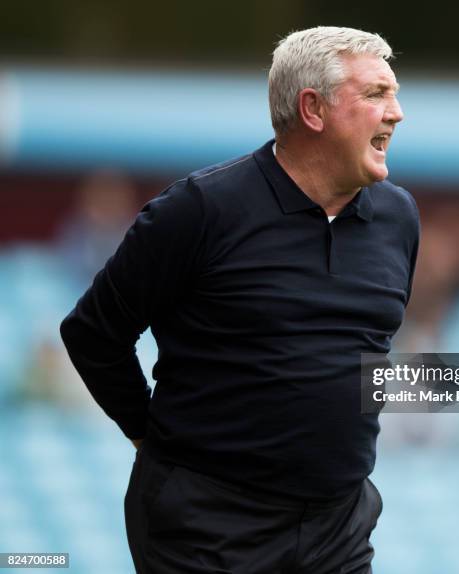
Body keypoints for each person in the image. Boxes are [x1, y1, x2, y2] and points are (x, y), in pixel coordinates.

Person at [60, 26, 419, 573]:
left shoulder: (398, 218)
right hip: (208, 525)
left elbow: (361, 354)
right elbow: (92, 332)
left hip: (338, 526)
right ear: (312, 110)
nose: (396, 113)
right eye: (375, 94)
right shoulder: (201, 210)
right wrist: (145, 434)